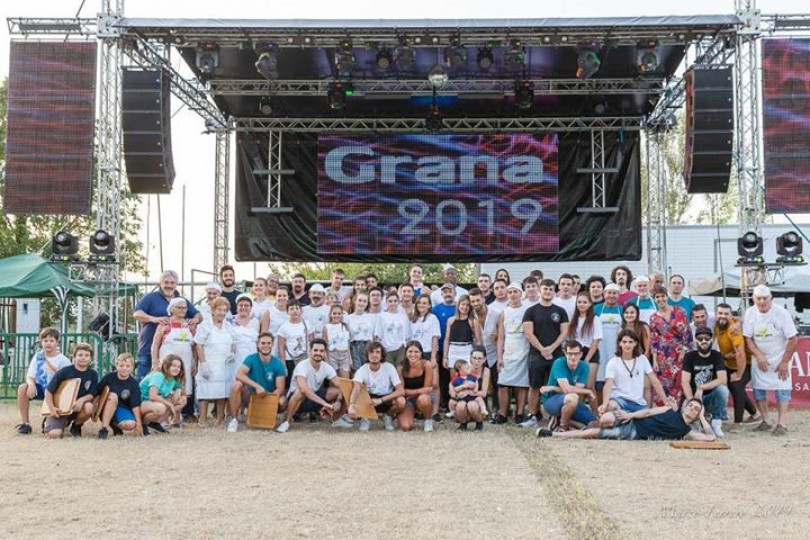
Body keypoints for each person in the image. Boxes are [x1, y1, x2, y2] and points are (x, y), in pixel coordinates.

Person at [743, 285, 798, 436]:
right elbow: (748, 338)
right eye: (758, 298)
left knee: (782, 388)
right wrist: (758, 355)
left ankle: (782, 424)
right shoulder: (749, 313)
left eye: (765, 298)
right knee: (758, 388)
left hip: (780, 355)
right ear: (753, 299)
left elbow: (793, 339)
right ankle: (766, 420)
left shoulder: (781, 313)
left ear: (771, 299)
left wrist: (785, 362)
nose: (762, 302)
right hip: (759, 356)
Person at [538, 398, 717, 442]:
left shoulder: (686, 431)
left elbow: (711, 438)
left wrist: (702, 416)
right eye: (691, 406)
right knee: (606, 418)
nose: (692, 409)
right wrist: (629, 415)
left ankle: (552, 434)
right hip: (632, 419)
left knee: (594, 433)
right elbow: (647, 412)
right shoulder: (669, 409)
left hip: (633, 432)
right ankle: (577, 423)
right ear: (684, 406)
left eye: (696, 410)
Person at [133, 269, 201, 379]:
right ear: (160, 283)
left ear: (176, 284)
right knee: (145, 380)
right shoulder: (150, 298)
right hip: (148, 347)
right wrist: (154, 319)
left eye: (172, 283)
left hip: (176, 353)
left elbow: (198, 315)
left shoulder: (182, 300)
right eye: (166, 282)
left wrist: (194, 320)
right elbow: (137, 314)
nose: (169, 285)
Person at [521, 278, 569, 428]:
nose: (548, 292)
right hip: (536, 355)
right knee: (535, 386)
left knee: (557, 386)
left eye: (550, 289)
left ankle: (556, 417)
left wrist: (551, 348)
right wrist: (542, 349)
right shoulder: (530, 311)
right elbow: (528, 333)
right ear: (540, 290)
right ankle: (533, 415)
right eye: (545, 289)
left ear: (554, 291)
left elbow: (564, 332)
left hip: (556, 355)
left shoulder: (560, 311)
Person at [226, 332, 288, 433]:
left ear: (272, 345)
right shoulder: (251, 358)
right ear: (257, 345)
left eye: (268, 343)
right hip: (252, 395)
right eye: (263, 343)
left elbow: (280, 388)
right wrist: (257, 386)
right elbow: (239, 375)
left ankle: (273, 415)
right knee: (237, 385)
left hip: (269, 395)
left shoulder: (278, 363)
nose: (266, 346)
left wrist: (268, 399)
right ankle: (234, 420)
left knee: (283, 401)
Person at [599, 329, 669, 416]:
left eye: (630, 342)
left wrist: (666, 402)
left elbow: (654, 381)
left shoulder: (642, 359)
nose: (627, 345)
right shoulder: (612, 362)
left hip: (638, 403)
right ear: (620, 343)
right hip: (619, 400)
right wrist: (605, 404)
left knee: (651, 420)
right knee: (610, 409)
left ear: (635, 343)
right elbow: (608, 385)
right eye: (624, 342)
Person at [16, 327, 71, 434]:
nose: (48, 343)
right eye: (45, 341)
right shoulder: (38, 357)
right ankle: (25, 423)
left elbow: (69, 381)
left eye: (51, 341)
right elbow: (30, 375)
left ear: (57, 343)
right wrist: (31, 384)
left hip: (56, 391)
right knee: (23, 388)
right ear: (41, 342)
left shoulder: (63, 360)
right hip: (41, 388)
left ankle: (57, 418)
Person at [280, 339, 343, 433]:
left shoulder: (327, 367)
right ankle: (286, 422)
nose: (318, 353)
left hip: (313, 397)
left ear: (325, 353)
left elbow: (341, 386)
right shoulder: (302, 366)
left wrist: (338, 401)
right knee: (300, 392)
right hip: (296, 399)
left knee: (337, 392)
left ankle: (336, 420)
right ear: (310, 351)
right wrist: (324, 404)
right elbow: (304, 389)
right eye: (315, 350)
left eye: (321, 351)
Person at [714, 303, 759, 428]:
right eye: (720, 313)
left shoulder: (733, 330)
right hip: (728, 363)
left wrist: (739, 374)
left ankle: (737, 422)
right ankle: (755, 414)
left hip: (746, 364)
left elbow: (740, 355)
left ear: (730, 315)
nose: (723, 316)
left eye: (726, 314)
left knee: (737, 385)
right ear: (716, 314)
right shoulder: (717, 324)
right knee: (733, 387)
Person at [151, 297, 196, 418]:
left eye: (185, 307)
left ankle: (176, 418)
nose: (183, 310)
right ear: (171, 309)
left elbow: (194, 347)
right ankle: (163, 418)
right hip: (167, 364)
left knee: (182, 391)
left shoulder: (190, 326)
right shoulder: (164, 325)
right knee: (166, 390)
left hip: (185, 363)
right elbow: (155, 344)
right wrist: (155, 362)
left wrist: (194, 363)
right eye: (179, 307)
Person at [346, 341, 406, 431]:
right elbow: (356, 388)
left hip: (386, 398)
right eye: (371, 352)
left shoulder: (389, 367)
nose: (374, 355)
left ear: (382, 355)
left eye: (377, 352)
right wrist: (351, 405)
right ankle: (365, 417)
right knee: (356, 395)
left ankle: (388, 416)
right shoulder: (362, 370)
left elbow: (401, 391)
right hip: (369, 400)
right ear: (367, 354)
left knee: (401, 401)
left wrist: (381, 400)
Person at [538, 340, 597, 432]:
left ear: (581, 354)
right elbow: (567, 389)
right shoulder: (559, 363)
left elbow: (576, 389)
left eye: (576, 354)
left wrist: (553, 387)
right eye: (570, 354)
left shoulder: (584, 366)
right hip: (551, 400)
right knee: (572, 397)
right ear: (565, 353)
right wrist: (587, 391)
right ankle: (563, 426)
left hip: (571, 401)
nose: (573, 357)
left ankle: (560, 421)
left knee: (595, 423)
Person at [194, 297, 236, 426]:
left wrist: (232, 353)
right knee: (205, 391)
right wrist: (203, 363)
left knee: (222, 391)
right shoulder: (204, 325)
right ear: (212, 310)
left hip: (225, 364)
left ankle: (220, 419)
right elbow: (199, 345)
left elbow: (233, 342)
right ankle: (202, 419)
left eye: (224, 310)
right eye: (219, 309)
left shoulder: (228, 326)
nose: (222, 313)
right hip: (209, 362)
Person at [648, 287, 694, 405]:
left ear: (667, 297)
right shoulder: (653, 318)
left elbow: (687, 333)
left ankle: (680, 410)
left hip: (679, 353)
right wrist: (655, 361)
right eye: (657, 297)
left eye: (662, 296)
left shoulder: (679, 311)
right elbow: (654, 339)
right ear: (654, 300)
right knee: (664, 384)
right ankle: (666, 410)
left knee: (680, 382)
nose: (660, 299)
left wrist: (684, 351)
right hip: (663, 356)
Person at [43, 342, 98, 439]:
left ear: (90, 358)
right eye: (80, 355)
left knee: (89, 407)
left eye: (86, 355)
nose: (83, 357)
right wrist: (52, 408)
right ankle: (52, 422)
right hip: (60, 408)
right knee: (55, 435)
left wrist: (82, 400)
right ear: (74, 357)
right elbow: (49, 391)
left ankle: (76, 426)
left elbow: (92, 393)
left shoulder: (93, 374)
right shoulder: (65, 371)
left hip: (78, 407)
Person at [681, 327, 729, 438]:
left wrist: (701, 388)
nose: (704, 341)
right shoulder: (689, 356)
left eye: (707, 338)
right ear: (695, 340)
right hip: (693, 397)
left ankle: (716, 422)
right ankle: (697, 423)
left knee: (723, 390)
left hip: (711, 397)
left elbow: (723, 379)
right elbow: (685, 382)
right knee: (687, 419)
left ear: (712, 340)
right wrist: (692, 402)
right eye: (700, 338)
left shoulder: (716, 355)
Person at [494, 282, 529, 424]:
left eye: (515, 292)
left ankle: (519, 413)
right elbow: (501, 336)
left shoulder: (528, 310)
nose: (513, 295)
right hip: (508, 352)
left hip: (524, 352)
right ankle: (502, 413)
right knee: (503, 384)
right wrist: (499, 356)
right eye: (510, 292)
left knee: (522, 385)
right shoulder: (504, 313)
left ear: (521, 293)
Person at [97, 353, 144, 438]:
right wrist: (94, 410)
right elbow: (97, 392)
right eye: (121, 365)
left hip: (121, 409)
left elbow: (135, 405)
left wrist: (139, 424)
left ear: (132, 368)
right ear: (116, 366)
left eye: (128, 366)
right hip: (106, 407)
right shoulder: (109, 377)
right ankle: (104, 429)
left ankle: (115, 426)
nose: (124, 368)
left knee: (130, 424)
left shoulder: (133, 383)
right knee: (113, 396)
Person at [140, 354, 188, 431]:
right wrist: (170, 405)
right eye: (174, 366)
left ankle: (155, 423)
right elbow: (153, 396)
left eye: (179, 367)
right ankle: (143, 423)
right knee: (161, 408)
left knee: (182, 400)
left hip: (153, 403)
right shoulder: (158, 375)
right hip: (142, 402)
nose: (176, 369)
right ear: (166, 366)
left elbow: (180, 388)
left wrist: (178, 391)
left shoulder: (173, 378)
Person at [230, 294, 260, 414]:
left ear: (251, 308)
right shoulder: (230, 320)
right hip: (235, 356)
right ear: (236, 307)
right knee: (235, 384)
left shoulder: (256, 322)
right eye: (240, 305)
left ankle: (245, 411)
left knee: (248, 384)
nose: (243, 308)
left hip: (251, 355)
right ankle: (233, 413)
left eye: (246, 305)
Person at [593, 284, 623, 404]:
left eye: (614, 293)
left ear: (618, 295)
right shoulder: (596, 309)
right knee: (599, 380)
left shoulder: (622, 309)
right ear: (604, 294)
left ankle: (614, 405)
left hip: (616, 349)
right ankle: (601, 407)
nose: (611, 295)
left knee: (616, 380)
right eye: (608, 293)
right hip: (600, 348)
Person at [397, 341, 435, 432]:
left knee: (424, 399)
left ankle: (428, 421)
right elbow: (401, 391)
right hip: (407, 400)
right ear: (405, 353)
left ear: (421, 353)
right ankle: (410, 416)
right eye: (410, 352)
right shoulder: (400, 367)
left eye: (416, 352)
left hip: (422, 398)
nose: (413, 354)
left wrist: (413, 392)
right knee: (405, 427)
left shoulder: (427, 365)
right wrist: (417, 391)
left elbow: (427, 389)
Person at [432, 283, 457, 418]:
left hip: (456, 348)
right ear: (441, 294)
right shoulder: (436, 309)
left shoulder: (460, 308)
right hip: (440, 348)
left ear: (455, 293)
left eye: (450, 291)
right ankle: (443, 403)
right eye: (445, 292)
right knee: (442, 378)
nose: (448, 294)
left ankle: (454, 404)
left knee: (454, 377)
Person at [443, 294, 483, 379]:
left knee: (468, 379)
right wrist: (445, 357)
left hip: (467, 350)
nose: (465, 307)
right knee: (454, 380)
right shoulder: (450, 320)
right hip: (453, 350)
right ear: (458, 305)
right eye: (463, 304)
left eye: (468, 305)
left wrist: (479, 357)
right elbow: (447, 339)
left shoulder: (473, 321)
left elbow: (478, 340)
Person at [375, 292, 412, 365]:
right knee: (389, 369)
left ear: (398, 302)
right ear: (386, 303)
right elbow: (378, 336)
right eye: (390, 301)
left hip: (400, 348)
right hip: (386, 348)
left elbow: (408, 336)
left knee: (400, 368)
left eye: (395, 301)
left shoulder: (403, 316)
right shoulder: (381, 316)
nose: (393, 303)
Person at [449, 358, 486, 431]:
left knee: (472, 405)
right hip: (462, 398)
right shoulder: (456, 379)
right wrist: (462, 388)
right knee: (460, 406)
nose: (469, 369)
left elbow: (477, 386)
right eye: (467, 368)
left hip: (472, 398)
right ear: (460, 370)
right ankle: (463, 424)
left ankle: (479, 423)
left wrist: (473, 389)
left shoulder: (472, 377)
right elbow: (453, 391)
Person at [345, 291, 378, 372]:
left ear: (367, 303)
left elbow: (374, 337)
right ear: (355, 301)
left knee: (369, 371)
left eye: (364, 301)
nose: (361, 303)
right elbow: (347, 339)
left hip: (368, 345)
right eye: (359, 300)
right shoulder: (348, 318)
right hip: (355, 346)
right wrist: (349, 357)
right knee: (357, 371)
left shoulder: (371, 317)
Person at [276, 300, 309, 379]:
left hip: (304, 358)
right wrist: (283, 365)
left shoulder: (307, 324)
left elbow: (311, 342)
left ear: (301, 311)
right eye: (291, 309)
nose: (295, 311)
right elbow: (281, 348)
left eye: (297, 308)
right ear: (287, 311)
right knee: (291, 381)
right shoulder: (283, 327)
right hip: (290, 359)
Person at [323, 304, 351, 379]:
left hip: (344, 356)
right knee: (334, 381)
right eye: (334, 313)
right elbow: (325, 347)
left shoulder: (345, 326)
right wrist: (326, 362)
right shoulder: (327, 327)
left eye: (339, 313)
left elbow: (347, 344)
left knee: (345, 381)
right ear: (330, 314)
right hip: (332, 356)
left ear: (342, 314)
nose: (336, 315)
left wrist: (349, 360)